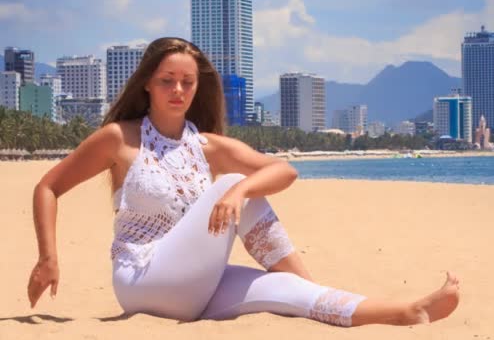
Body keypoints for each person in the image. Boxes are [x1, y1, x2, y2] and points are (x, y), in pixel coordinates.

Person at [27, 37, 459, 326]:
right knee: (235, 184)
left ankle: (403, 311)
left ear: (197, 88)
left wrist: (240, 190)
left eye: (187, 82)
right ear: (147, 86)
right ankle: (315, 282)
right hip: (142, 279)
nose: (178, 90)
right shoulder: (119, 139)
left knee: (285, 289)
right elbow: (48, 187)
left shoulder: (208, 145)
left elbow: (284, 169)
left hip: (193, 284)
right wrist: (48, 259)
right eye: (167, 81)